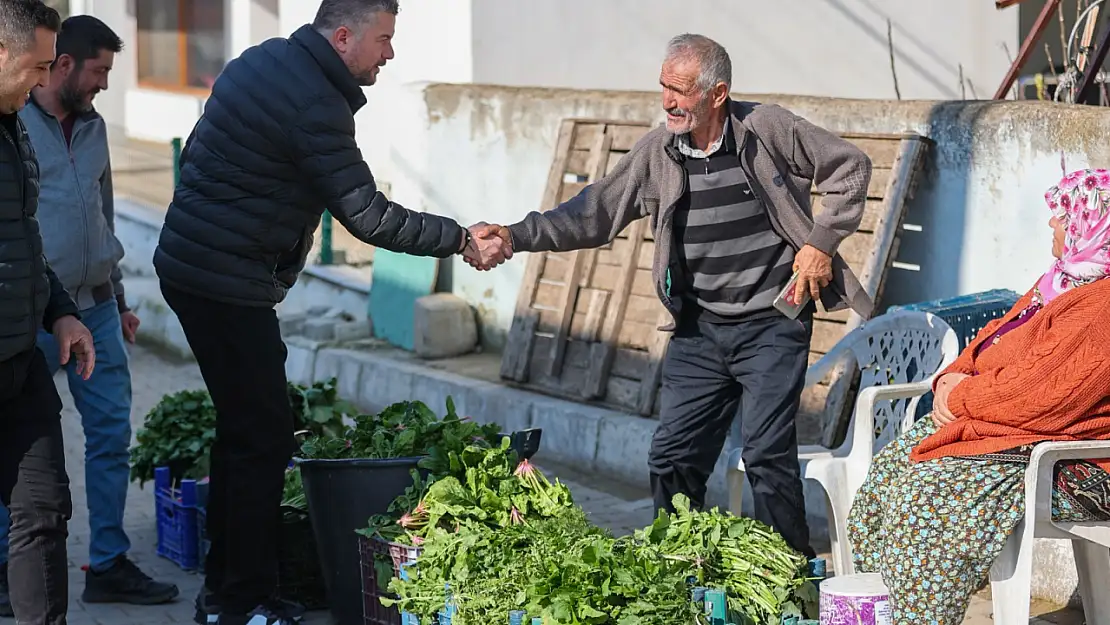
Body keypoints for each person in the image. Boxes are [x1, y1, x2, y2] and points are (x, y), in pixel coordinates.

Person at [151, 1, 508, 623]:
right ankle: (242, 602)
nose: (389, 54)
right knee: (262, 441)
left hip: (194, 266)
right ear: (343, 37)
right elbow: (366, 214)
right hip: (223, 283)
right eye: (384, 40)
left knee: (244, 433)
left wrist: (274, 265)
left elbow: (215, 165)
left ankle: (225, 591)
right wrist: (458, 237)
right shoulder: (314, 103)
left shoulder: (265, 60)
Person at [471, 33, 873, 559]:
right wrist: (515, 235)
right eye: (663, 86)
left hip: (773, 324)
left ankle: (790, 583)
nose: (667, 101)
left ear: (717, 93)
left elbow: (851, 167)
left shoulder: (766, 130)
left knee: (766, 456)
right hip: (699, 329)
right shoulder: (658, 153)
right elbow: (594, 211)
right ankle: (682, 569)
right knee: (672, 456)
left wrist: (820, 244)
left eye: (680, 90)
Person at [848, 168, 1110, 624]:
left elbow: (1041, 395)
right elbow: (990, 339)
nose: (1051, 225)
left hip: (1068, 458)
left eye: (1062, 217)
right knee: (886, 478)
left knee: (924, 500)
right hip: (1003, 428)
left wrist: (962, 397)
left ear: (1093, 227)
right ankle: (883, 612)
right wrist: (949, 379)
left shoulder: (1100, 308)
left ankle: (920, 617)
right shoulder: (1059, 282)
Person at [2, 14, 180, 612]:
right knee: (17, 447)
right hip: (29, 316)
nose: (105, 82)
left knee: (109, 436)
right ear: (63, 65)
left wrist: (122, 300)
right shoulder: (16, 122)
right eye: (99, 69)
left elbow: (101, 214)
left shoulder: (97, 127)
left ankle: (106, 560)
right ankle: (9, 569)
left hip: (95, 309)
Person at [0, 1, 98, 623]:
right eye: (36, 67)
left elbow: (24, 237)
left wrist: (60, 311)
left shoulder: (12, 123)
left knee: (43, 510)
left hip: (19, 362)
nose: (43, 82)